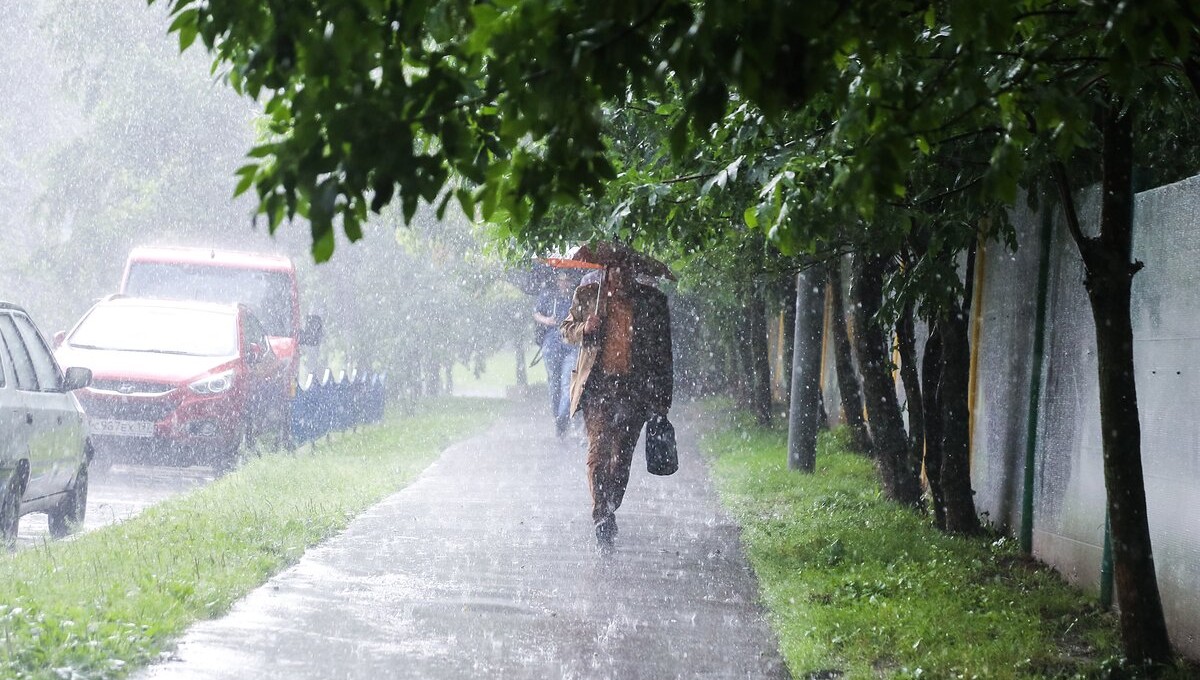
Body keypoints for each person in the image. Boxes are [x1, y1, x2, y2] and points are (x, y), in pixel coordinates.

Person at [560, 258, 673, 548]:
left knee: (621, 459)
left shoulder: (652, 303)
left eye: (627, 269)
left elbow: (663, 354)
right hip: (598, 389)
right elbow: (566, 330)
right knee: (598, 452)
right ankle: (600, 515)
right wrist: (586, 327)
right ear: (606, 270)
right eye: (615, 270)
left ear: (634, 271)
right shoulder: (588, 296)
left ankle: (610, 506)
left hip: (634, 392)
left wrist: (662, 401)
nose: (621, 275)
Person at [533, 271, 580, 436]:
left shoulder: (576, 297)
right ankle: (558, 418)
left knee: (568, 383)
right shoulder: (547, 295)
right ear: (557, 281)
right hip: (551, 344)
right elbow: (536, 313)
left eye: (567, 280)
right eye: (561, 280)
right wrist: (547, 320)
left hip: (571, 344)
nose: (564, 283)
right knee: (554, 383)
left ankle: (562, 418)